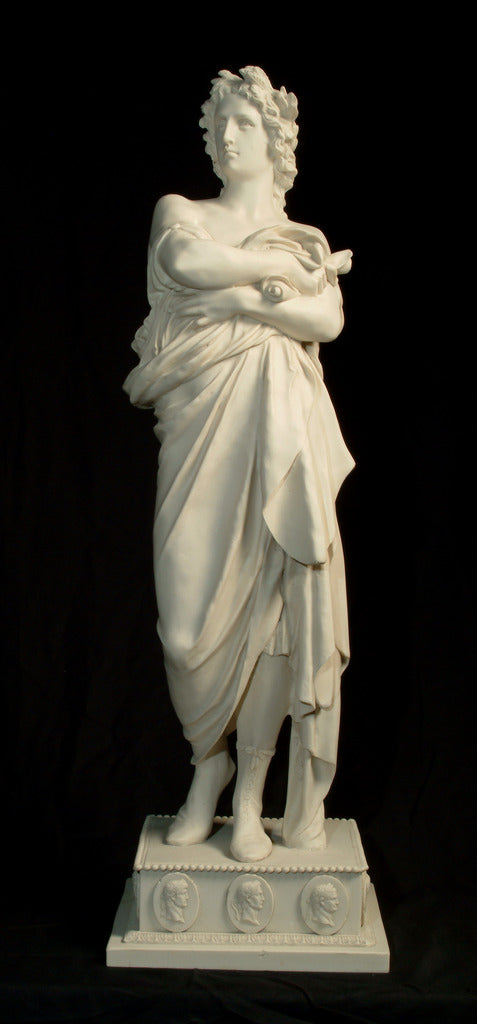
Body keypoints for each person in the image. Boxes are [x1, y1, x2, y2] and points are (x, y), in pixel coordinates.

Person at [124, 67, 354, 862]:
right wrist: (268, 289)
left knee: (272, 616)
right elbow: (186, 266)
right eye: (216, 124)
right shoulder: (182, 213)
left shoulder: (301, 242)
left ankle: (246, 796)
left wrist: (252, 295)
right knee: (186, 626)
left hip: (278, 436)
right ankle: (206, 764)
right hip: (200, 431)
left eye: (243, 125)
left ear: (276, 140)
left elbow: (325, 316)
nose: (225, 137)